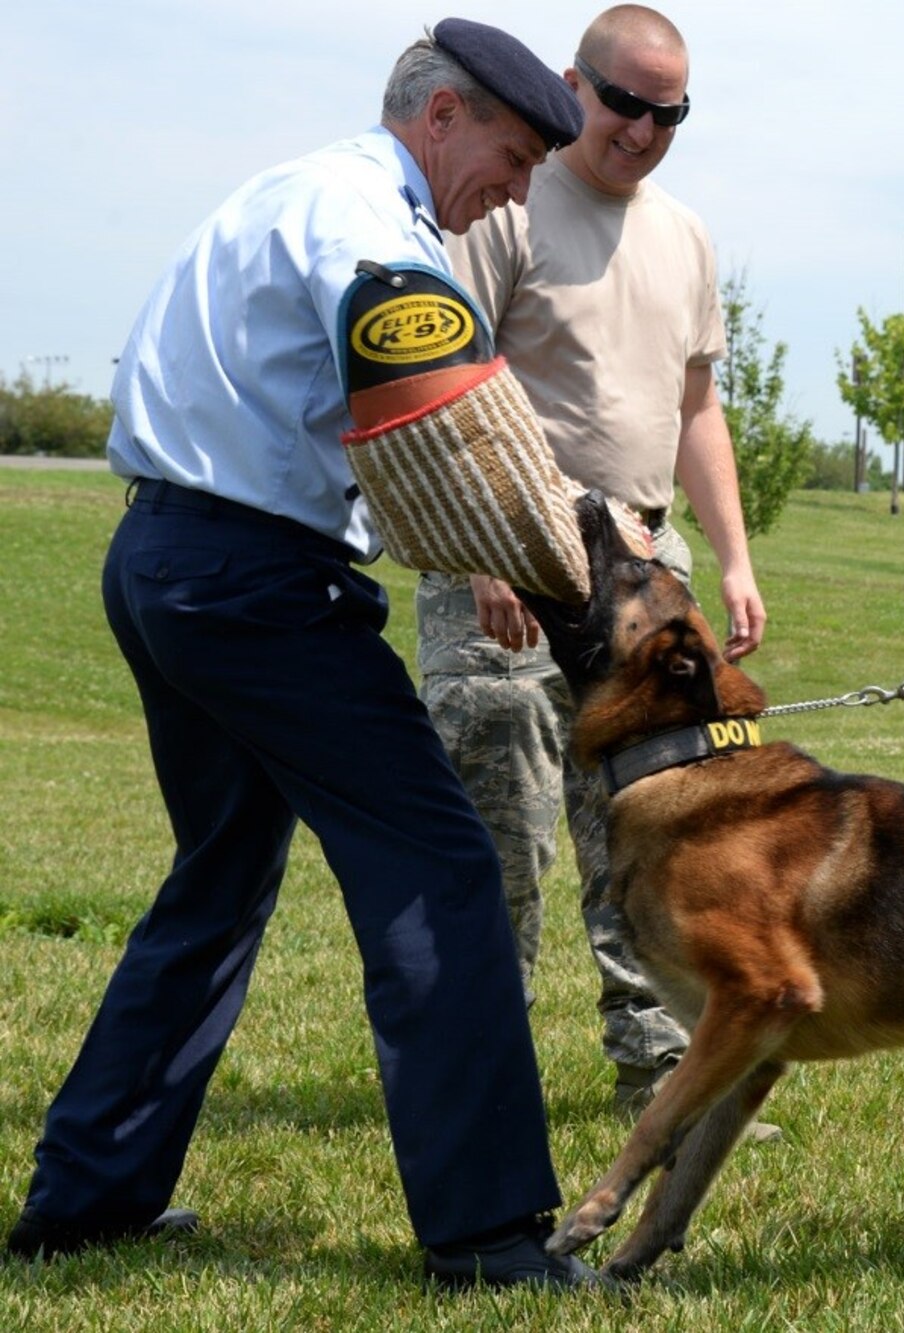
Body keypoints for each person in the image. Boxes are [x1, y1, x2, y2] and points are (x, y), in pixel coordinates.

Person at [6, 20, 603, 1289]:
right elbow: (446, 425)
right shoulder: (371, 228)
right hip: (257, 586)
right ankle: (491, 1236)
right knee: (441, 863)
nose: (516, 188)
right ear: (440, 116)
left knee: (217, 881)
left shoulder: (288, 189)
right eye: (509, 154)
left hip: (167, 559)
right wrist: (575, 565)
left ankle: (86, 1200)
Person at [416, 4, 770, 1122]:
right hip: (511, 556)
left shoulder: (685, 233)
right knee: (500, 834)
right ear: (574, 84)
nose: (642, 129)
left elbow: (695, 405)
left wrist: (730, 559)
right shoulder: (507, 204)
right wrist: (481, 548)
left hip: (641, 565)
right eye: (622, 102)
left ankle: (662, 1069)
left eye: (669, 112)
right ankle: (481, 1075)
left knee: (658, 825)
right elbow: (449, 379)